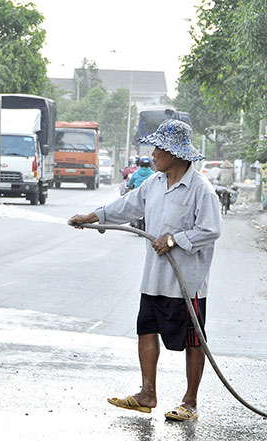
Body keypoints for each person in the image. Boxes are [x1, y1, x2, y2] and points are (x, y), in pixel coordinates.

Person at [70, 119, 221, 421]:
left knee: (193, 340)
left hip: (185, 283)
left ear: (175, 154)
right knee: (146, 329)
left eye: (158, 148)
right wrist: (92, 216)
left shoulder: (200, 190)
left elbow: (211, 229)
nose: (152, 154)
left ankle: (189, 401)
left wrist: (174, 239)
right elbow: (126, 207)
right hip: (153, 279)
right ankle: (147, 393)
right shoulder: (153, 183)